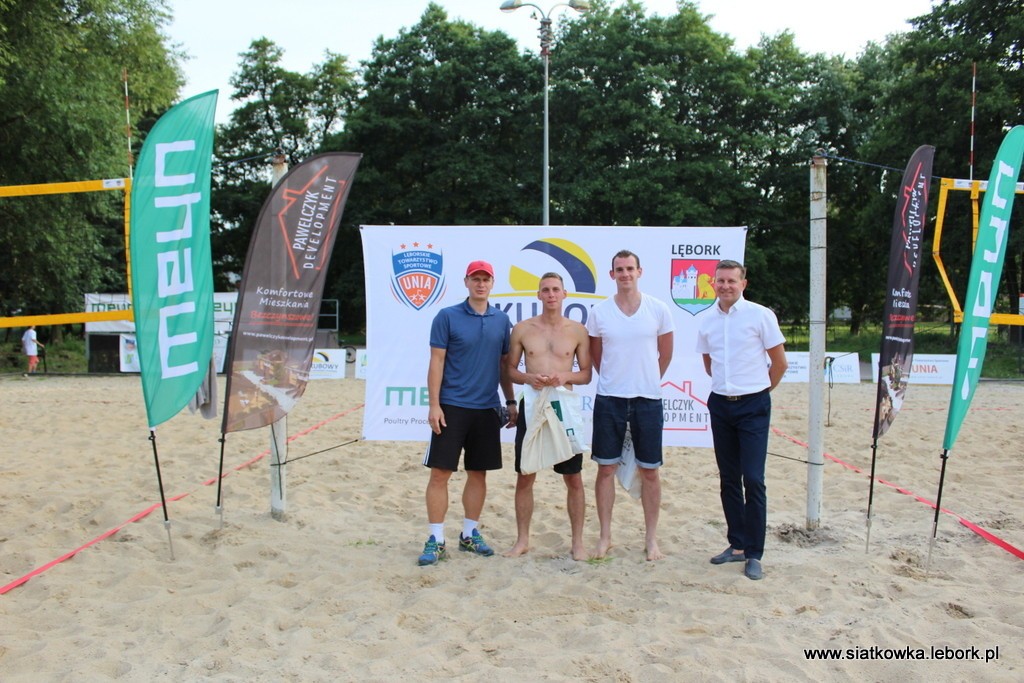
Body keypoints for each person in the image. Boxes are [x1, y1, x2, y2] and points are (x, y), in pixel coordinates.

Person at [419, 260, 517, 566]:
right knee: (440, 474)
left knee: (478, 473)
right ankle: (436, 539)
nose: (481, 283)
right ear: (466, 282)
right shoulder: (447, 316)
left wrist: (510, 401)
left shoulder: (501, 320)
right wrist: (434, 404)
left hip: (487, 408)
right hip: (452, 406)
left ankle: (469, 534)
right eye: (476, 278)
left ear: (492, 283)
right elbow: (436, 362)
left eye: (486, 279)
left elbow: (503, 365)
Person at [696, 259, 788, 581]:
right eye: (720, 281)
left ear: (743, 284)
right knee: (729, 478)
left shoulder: (761, 315)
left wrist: (759, 392)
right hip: (721, 404)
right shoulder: (707, 320)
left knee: (754, 478)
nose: (725, 286)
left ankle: (754, 553)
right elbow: (709, 363)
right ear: (713, 283)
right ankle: (736, 544)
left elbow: (779, 363)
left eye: (731, 281)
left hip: (753, 405)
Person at [586, 250, 674, 561]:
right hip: (609, 398)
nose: (625, 274)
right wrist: (617, 380)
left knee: (650, 471)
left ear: (640, 271)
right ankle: (605, 537)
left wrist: (645, 380)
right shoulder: (599, 312)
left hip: (648, 400)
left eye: (630, 269)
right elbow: (596, 356)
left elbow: (665, 353)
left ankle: (651, 539)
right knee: (605, 469)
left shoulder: (658, 309)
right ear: (612, 275)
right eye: (619, 270)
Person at [503, 273, 593, 561]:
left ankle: (577, 543)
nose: (551, 294)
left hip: (563, 407)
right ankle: (522, 540)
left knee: (573, 477)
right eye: (546, 290)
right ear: (538, 295)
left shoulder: (577, 331)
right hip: (533, 404)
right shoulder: (522, 329)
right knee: (525, 475)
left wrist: (564, 376)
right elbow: (510, 369)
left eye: (555, 289)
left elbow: (586, 374)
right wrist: (529, 378)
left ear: (565, 294)